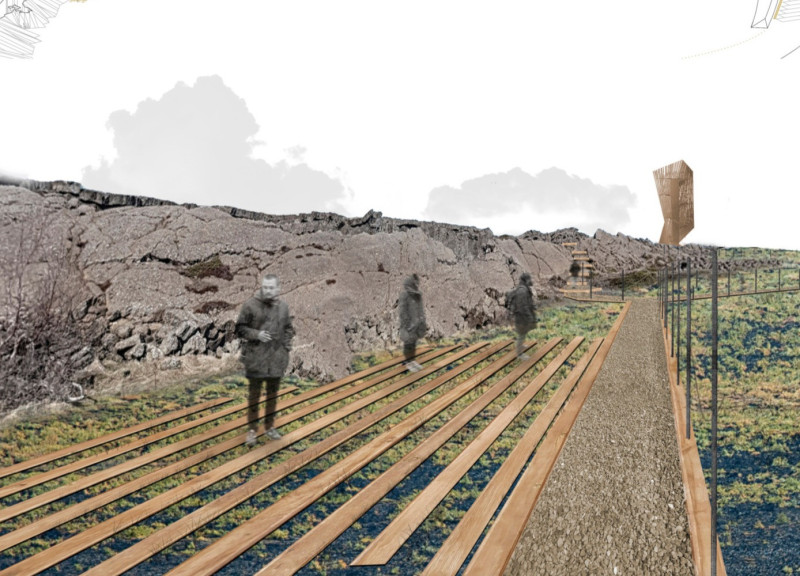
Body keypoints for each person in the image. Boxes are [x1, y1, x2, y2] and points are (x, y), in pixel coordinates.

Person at [235, 274, 295, 446]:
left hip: (275, 361)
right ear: (262, 287)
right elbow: (239, 328)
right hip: (256, 360)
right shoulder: (250, 305)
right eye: (265, 287)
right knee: (254, 396)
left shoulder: (283, 307)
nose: (268, 291)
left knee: (272, 395)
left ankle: (269, 427)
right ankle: (252, 431)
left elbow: (288, 329)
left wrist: (285, 348)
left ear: (278, 289)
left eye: (271, 288)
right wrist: (257, 334)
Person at [505, 272, 537, 360]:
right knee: (521, 334)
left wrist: (533, 306)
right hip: (521, 316)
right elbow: (523, 306)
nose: (531, 280)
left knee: (524, 332)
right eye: (529, 279)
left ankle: (521, 345)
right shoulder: (522, 291)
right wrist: (529, 316)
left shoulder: (524, 289)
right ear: (525, 280)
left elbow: (527, 302)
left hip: (523, 316)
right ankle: (519, 354)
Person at [399, 273, 427, 372]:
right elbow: (402, 311)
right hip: (409, 324)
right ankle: (408, 362)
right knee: (408, 343)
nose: (417, 284)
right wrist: (406, 324)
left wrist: (422, 320)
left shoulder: (418, 295)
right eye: (415, 282)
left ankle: (412, 360)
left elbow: (420, 309)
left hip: (417, 323)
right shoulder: (405, 295)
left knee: (413, 343)